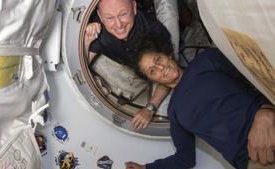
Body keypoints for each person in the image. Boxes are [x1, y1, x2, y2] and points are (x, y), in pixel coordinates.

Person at [125, 34, 275, 169]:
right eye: (152, 71)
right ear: (152, 80)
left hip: (268, 126)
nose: (161, 67)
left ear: (168, 55)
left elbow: (257, 76)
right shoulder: (174, 112)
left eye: (158, 59)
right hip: (254, 159)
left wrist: (266, 111)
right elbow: (185, 159)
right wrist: (146, 168)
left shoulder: (207, 59)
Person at [84, 0, 173, 129]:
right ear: (100, 16)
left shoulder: (154, 30)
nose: (118, 24)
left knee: (167, 111)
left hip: (150, 71)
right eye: (110, 17)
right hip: (123, 65)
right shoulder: (97, 29)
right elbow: (82, 65)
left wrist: (150, 108)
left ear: (134, 8)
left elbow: (169, 73)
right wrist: (87, 41)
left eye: (123, 14)